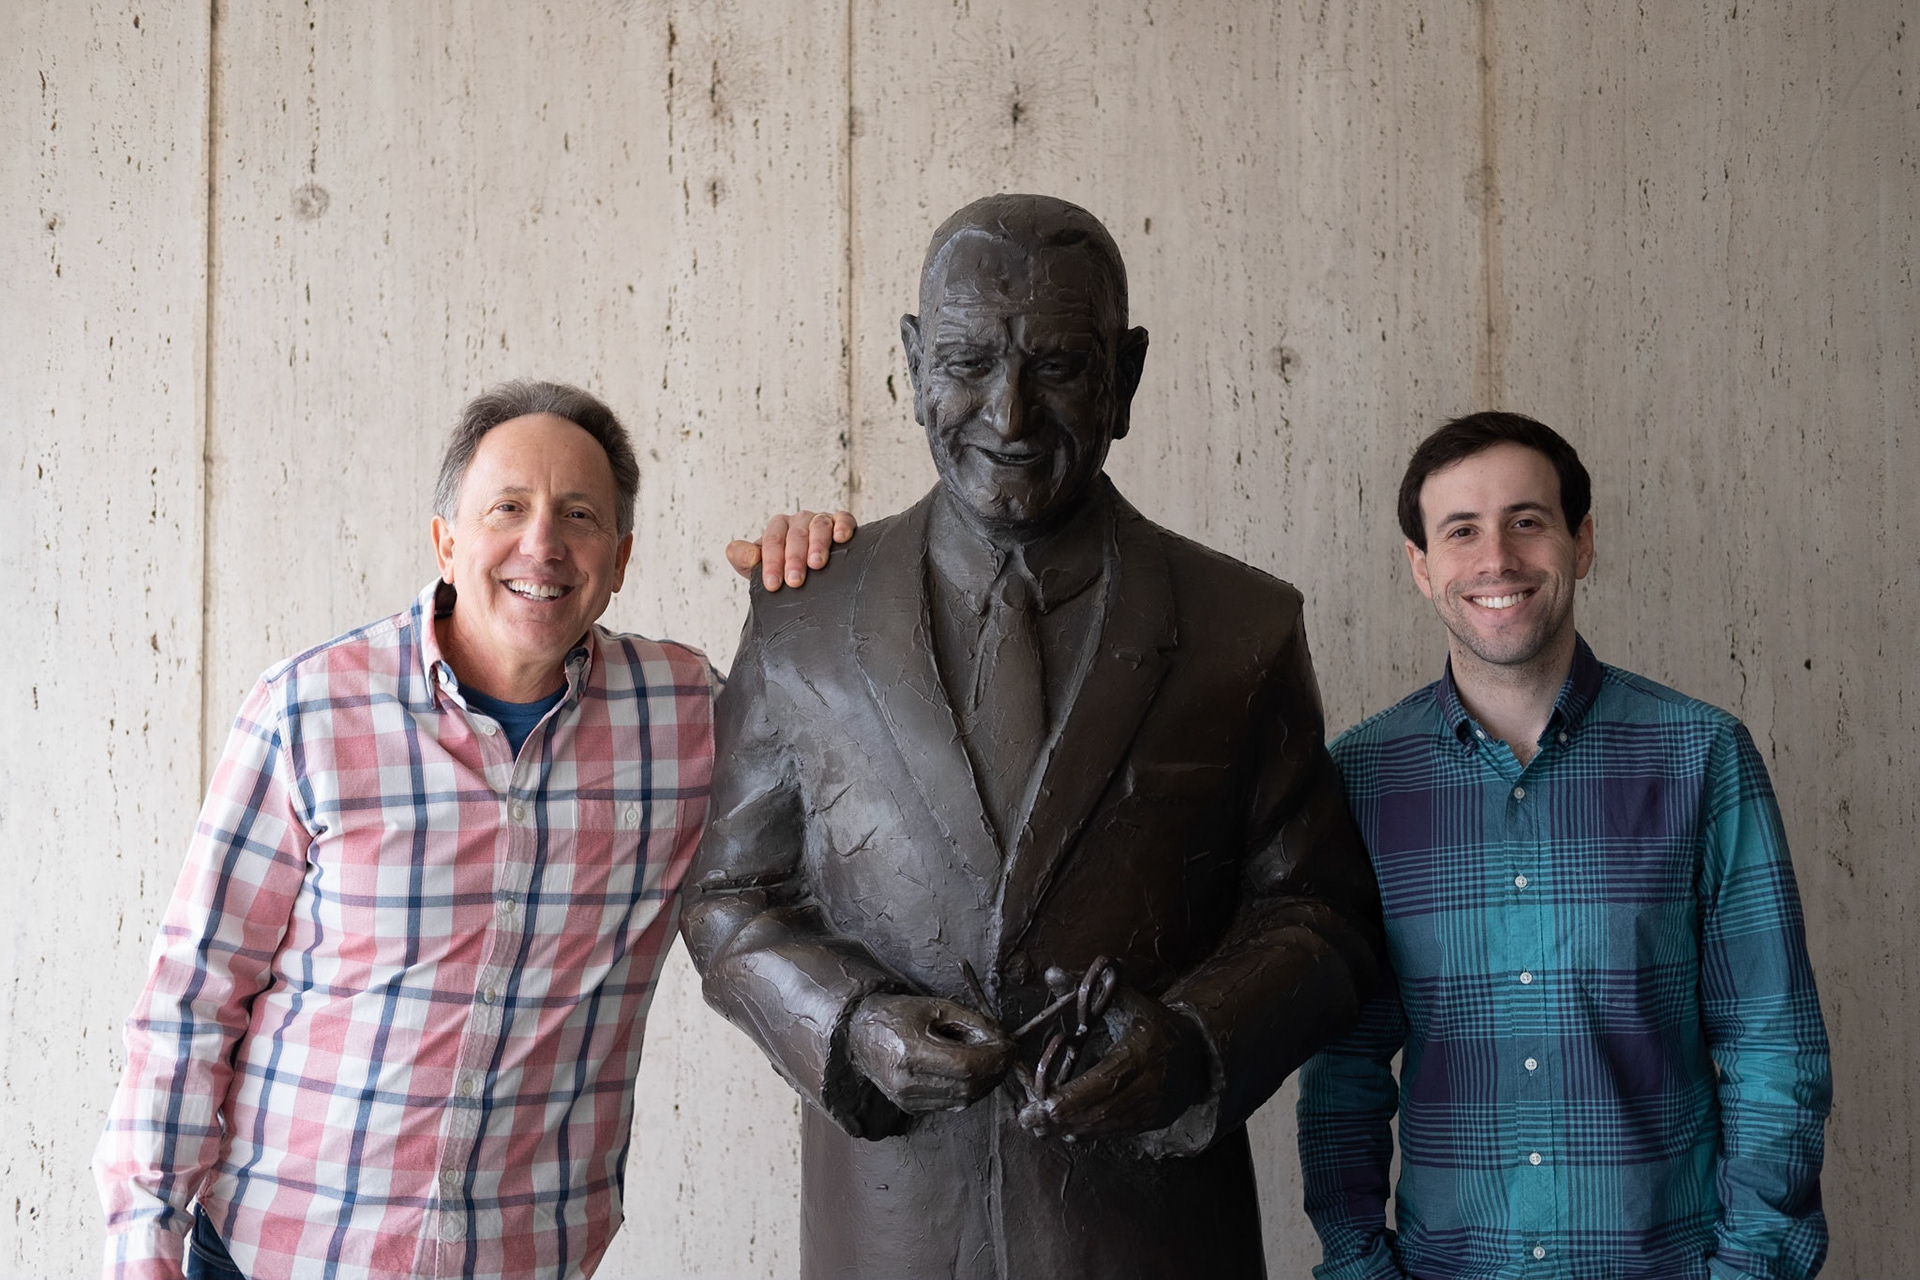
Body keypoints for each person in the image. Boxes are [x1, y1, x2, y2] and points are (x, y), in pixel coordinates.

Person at [685, 193, 1385, 1280]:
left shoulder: (1243, 626)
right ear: (912, 363)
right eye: (967, 362)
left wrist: (1194, 1040)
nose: (1008, 413)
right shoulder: (803, 621)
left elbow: (1324, 918)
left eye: (1057, 365)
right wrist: (854, 1025)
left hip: (1154, 1237)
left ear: (1126, 376)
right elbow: (729, 899)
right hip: (895, 1230)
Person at [93, 379, 846, 1280]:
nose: (543, 544)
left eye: (579, 515)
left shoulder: (688, 718)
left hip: (523, 1259)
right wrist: (142, 1240)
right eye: (508, 508)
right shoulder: (308, 711)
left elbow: (837, 823)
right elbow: (195, 994)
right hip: (276, 1255)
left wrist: (819, 596)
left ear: (620, 559)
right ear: (446, 541)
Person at [1296, 412, 1831, 1280]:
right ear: (1421, 566)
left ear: (1581, 543)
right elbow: (1343, 1068)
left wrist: (1751, 1270)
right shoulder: (1359, 781)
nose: (1496, 559)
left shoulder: (1701, 758)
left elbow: (1773, 1049)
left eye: (1526, 521)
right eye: (1461, 531)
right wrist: (1358, 1265)